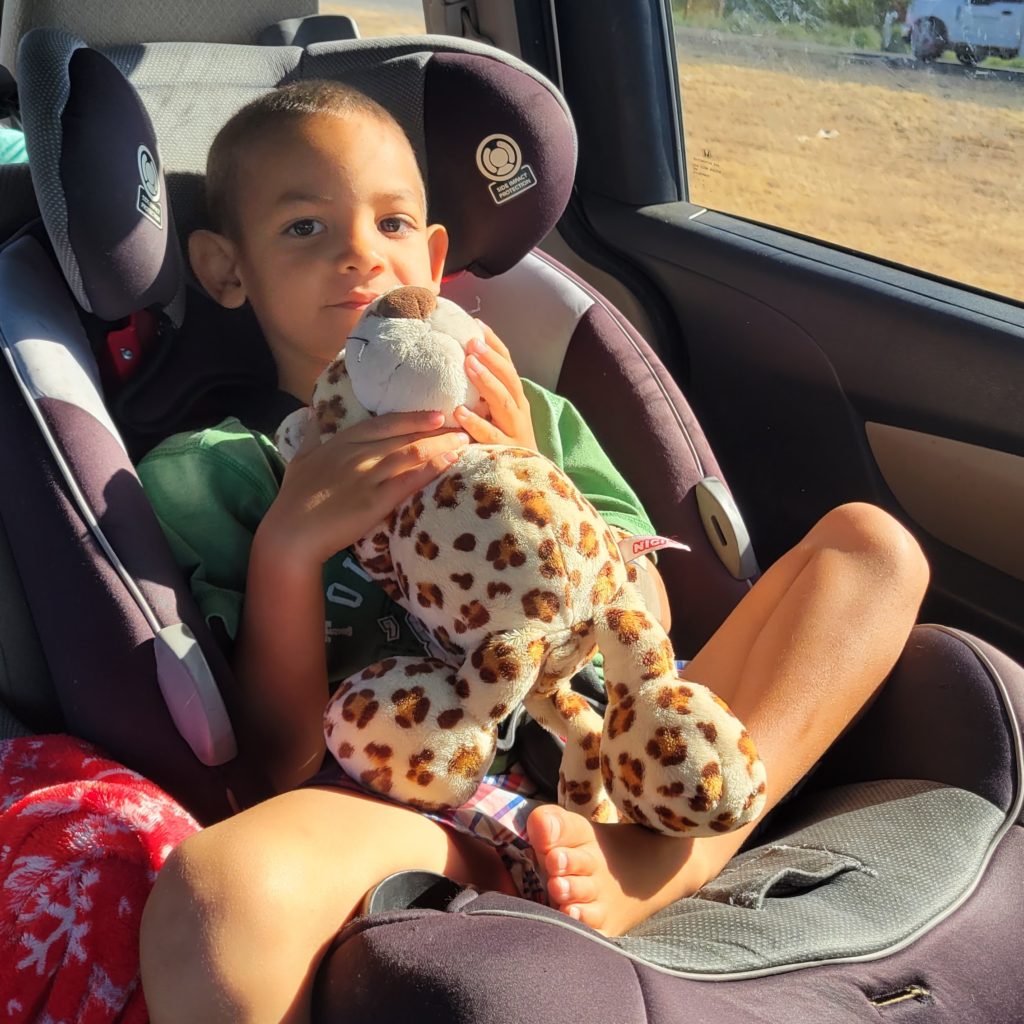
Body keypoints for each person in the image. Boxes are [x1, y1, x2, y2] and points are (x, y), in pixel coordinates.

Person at [137, 80, 929, 1024]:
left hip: (632, 750)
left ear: (433, 255)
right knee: (216, 904)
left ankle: (684, 853)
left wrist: (529, 468)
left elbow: (648, 614)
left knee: (873, 547)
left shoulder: (535, 413)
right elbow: (272, 756)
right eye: (305, 229)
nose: (360, 254)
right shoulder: (214, 473)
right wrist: (289, 548)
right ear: (228, 270)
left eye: (392, 223)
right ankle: (630, 859)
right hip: (423, 804)